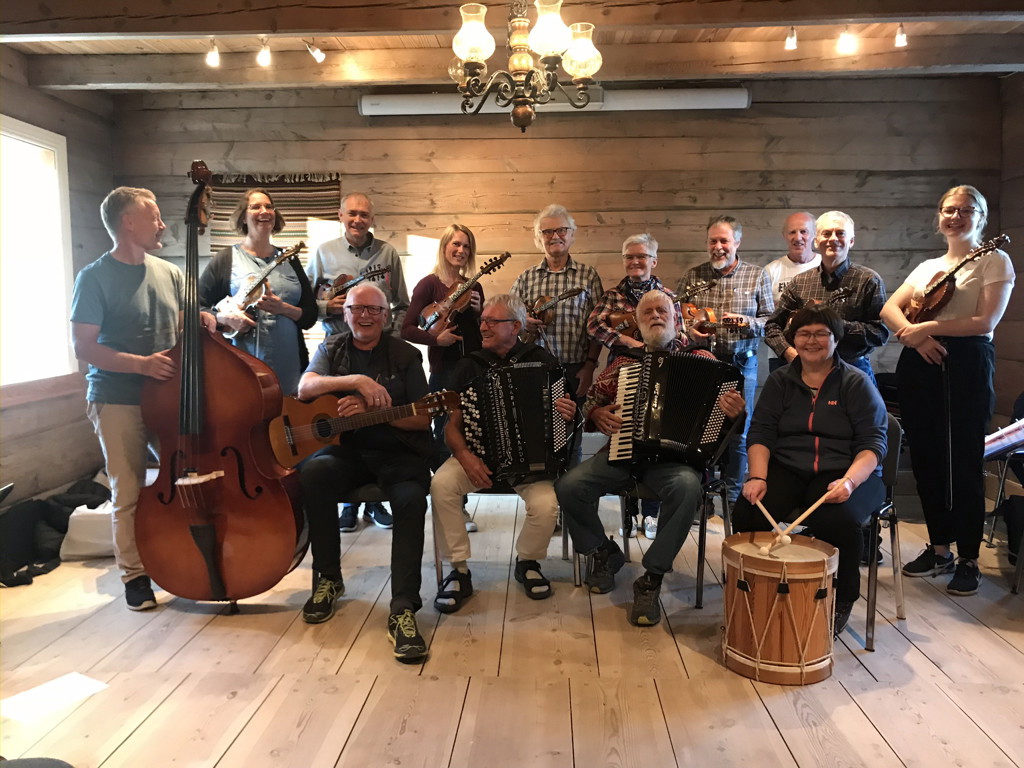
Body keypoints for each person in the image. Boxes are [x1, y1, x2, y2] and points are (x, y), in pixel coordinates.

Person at [555, 290, 745, 626]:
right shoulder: (624, 362)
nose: (656, 316)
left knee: (688, 488)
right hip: (623, 455)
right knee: (569, 485)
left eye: (662, 311)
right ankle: (604, 551)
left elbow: (730, 424)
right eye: (647, 313)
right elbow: (589, 403)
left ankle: (651, 579)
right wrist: (597, 413)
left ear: (675, 319)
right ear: (638, 324)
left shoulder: (703, 359)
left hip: (676, 463)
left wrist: (734, 413)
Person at [70, 187, 214, 610]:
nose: (163, 225)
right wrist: (141, 365)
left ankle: (185, 558)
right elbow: (84, 347)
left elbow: (185, 323)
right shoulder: (93, 277)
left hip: (168, 398)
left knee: (185, 478)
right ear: (128, 222)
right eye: (154, 217)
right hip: (118, 398)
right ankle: (135, 576)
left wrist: (206, 318)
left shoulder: (169, 272)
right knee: (129, 489)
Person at [880, 184, 1014, 596]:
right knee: (926, 457)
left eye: (966, 209)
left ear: (981, 217)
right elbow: (889, 309)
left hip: (966, 362)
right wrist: (918, 338)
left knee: (963, 460)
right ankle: (939, 549)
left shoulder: (994, 260)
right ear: (939, 217)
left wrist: (928, 328)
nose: (955, 216)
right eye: (949, 209)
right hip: (920, 361)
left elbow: (985, 321)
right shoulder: (928, 267)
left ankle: (969, 556)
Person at [296, 283, 433, 662]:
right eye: (357, 309)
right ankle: (328, 578)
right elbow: (305, 387)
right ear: (345, 314)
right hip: (349, 455)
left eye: (374, 309)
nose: (365, 316)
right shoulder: (331, 348)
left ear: (386, 316)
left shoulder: (405, 354)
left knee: (410, 499)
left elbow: (424, 418)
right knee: (314, 474)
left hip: (399, 455)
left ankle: (403, 606)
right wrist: (356, 381)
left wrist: (375, 413)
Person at [732, 305, 888, 635]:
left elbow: (873, 444)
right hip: (789, 468)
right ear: (794, 339)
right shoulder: (780, 381)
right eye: (804, 334)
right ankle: (756, 587)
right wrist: (757, 476)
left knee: (838, 520)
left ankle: (841, 598)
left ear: (836, 339)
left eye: (821, 334)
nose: (811, 340)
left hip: (847, 472)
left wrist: (849, 482)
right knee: (748, 511)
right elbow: (761, 432)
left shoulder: (856, 382)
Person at [430, 295, 577, 611]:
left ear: (515, 326)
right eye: (482, 320)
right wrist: (465, 457)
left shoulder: (544, 362)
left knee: (546, 505)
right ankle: (458, 569)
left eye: (491, 321)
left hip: (530, 464)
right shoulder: (469, 365)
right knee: (441, 485)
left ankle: (527, 562)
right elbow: (451, 427)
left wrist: (567, 414)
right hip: (477, 459)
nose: (483, 327)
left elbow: (566, 422)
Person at [306, 192, 411, 528]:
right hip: (338, 354)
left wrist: (391, 342)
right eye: (352, 213)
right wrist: (327, 307)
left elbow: (402, 304)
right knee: (342, 423)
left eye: (364, 215)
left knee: (376, 419)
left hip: (379, 354)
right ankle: (347, 502)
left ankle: (374, 502)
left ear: (372, 219)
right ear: (340, 216)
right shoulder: (323, 253)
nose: (358, 220)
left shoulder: (387, 253)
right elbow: (306, 306)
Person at [586, 233, 684, 540]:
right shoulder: (612, 295)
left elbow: (680, 333)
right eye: (629, 256)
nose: (635, 261)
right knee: (626, 434)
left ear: (654, 261)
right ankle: (628, 512)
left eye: (641, 256)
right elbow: (593, 325)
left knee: (657, 434)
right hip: (624, 368)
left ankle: (652, 514)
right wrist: (627, 341)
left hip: (664, 367)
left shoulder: (667, 296)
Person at [677, 215, 774, 504]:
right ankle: (701, 497)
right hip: (702, 363)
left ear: (737, 242)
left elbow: (771, 322)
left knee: (739, 431)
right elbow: (677, 317)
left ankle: (732, 500)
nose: (718, 247)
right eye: (713, 241)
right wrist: (689, 330)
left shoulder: (757, 275)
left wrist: (746, 322)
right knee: (699, 430)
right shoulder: (693, 276)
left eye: (724, 241)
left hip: (742, 363)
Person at [401, 224, 484, 533]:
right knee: (442, 438)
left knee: (469, 435)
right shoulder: (428, 285)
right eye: (456, 244)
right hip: (442, 371)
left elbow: (481, 332)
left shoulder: (474, 286)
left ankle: (461, 502)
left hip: (471, 370)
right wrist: (437, 340)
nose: (461, 250)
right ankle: (449, 504)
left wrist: (479, 312)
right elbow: (407, 328)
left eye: (466, 246)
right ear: (445, 247)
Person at [198, 188, 317, 397]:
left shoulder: (290, 260)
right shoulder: (225, 259)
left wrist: (284, 309)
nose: (264, 211)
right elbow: (197, 308)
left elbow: (311, 315)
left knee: (289, 417)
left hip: (290, 370)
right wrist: (225, 318)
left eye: (269, 207)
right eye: (255, 207)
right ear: (243, 217)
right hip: (241, 370)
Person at [764, 210, 889, 385]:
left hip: (854, 373)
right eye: (827, 233)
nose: (833, 239)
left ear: (851, 241)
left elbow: (880, 334)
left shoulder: (868, 280)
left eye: (840, 233)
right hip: (806, 374)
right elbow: (772, 326)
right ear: (816, 240)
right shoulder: (800, 282)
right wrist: (787, 352)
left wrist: (836, 325)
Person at [510, 204, 604, 406]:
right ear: (539, 239)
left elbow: (598, 326)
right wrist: (524, 322)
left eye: (561, 230)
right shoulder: (525, 279)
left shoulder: (588, 276)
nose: (555, 236)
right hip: (533, 369)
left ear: (571, 235)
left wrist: (589, 367)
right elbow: (508, 320)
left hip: (575, 370)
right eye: (547, 232)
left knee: (574, 424)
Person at [762, 212, 821, 372]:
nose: (798, 237)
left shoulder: (825, 265)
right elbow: (766, 315)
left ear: (814, 234)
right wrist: (786, 350)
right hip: (781, 354)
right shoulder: (771, 270)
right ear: (784, 235)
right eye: (792, 232)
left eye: (803, 231)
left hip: (820, 351)